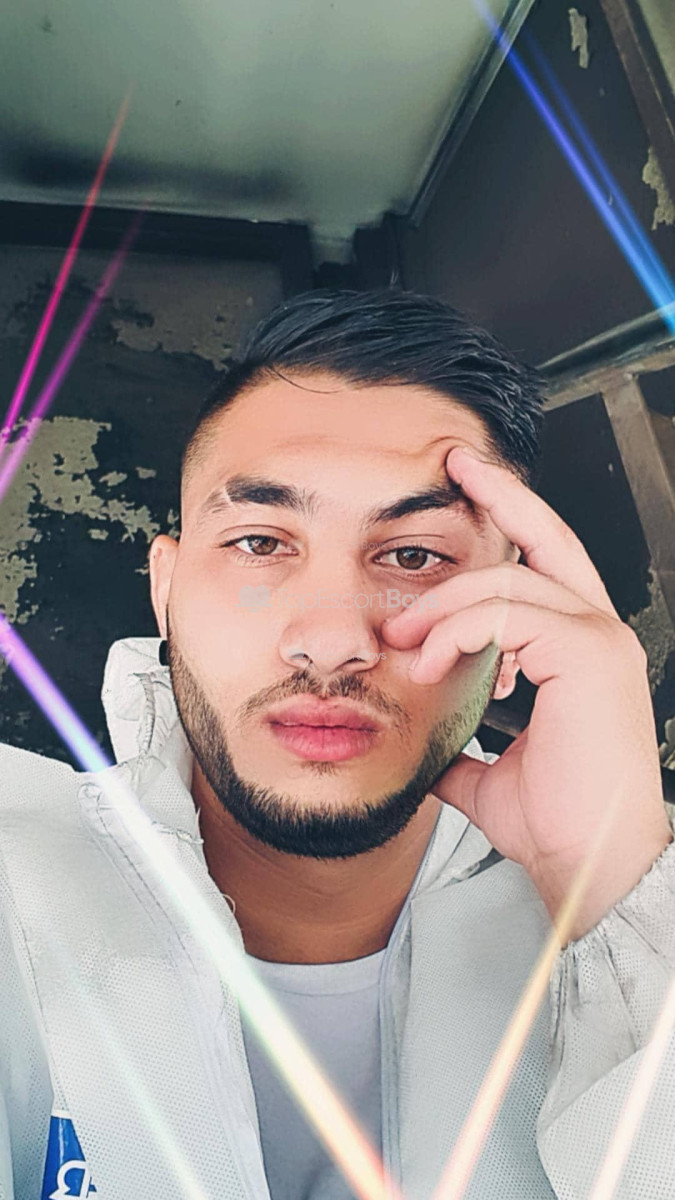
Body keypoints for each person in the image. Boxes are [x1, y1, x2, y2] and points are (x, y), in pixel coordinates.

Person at [1, 288, 673, 1200]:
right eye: (259, 542)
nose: (330, 641)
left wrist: (615, 882)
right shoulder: (14, 878)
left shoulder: (636, 908)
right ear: (166, 594)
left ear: (514, 623)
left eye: (414, 555)